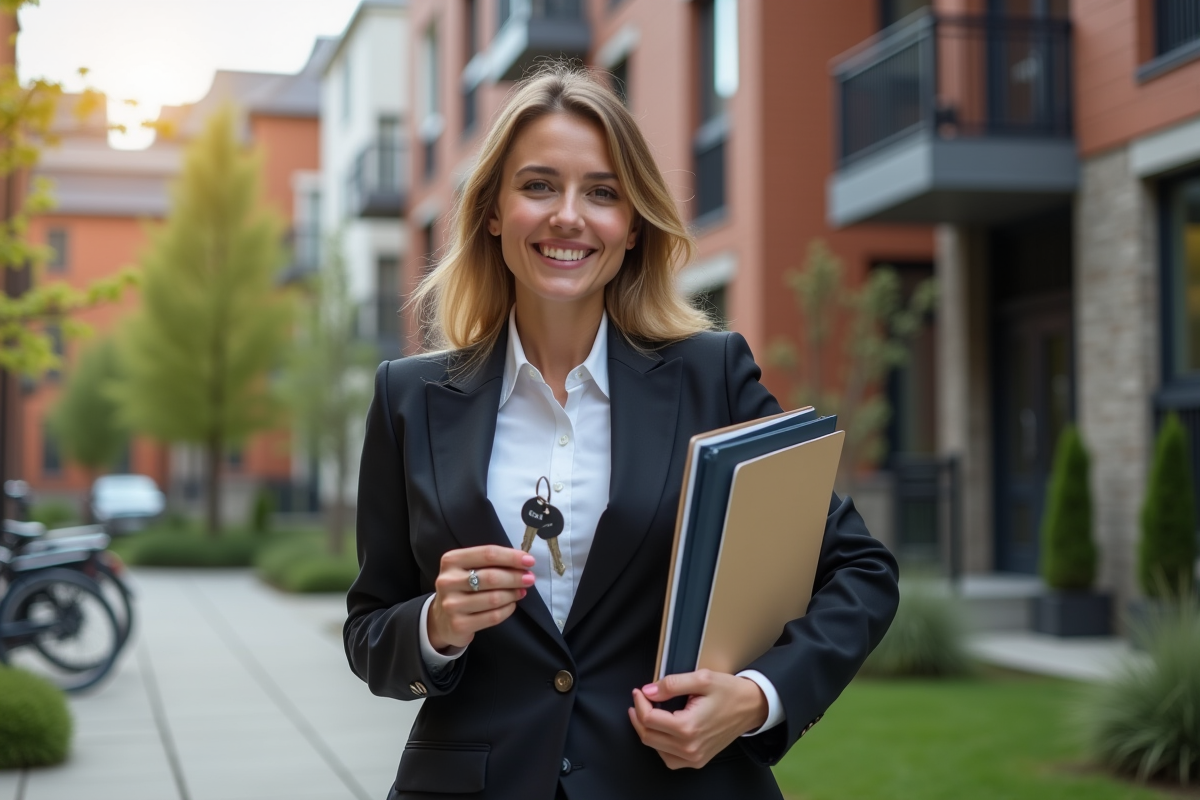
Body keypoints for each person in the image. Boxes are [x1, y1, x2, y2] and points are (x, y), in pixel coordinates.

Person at [344, 64, 899, 800]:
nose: (568, 216)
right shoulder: (408, 398)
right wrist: (436, 625)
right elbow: (370, 631)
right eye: (538, 185)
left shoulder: (714, 377)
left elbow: (859, 569)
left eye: (602, 192)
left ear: (632, 225)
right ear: (493, 212)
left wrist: (758, 696)